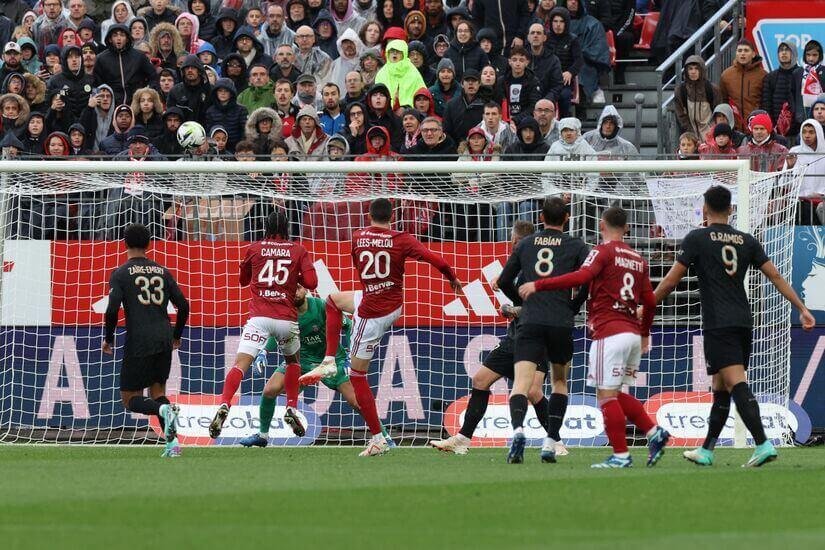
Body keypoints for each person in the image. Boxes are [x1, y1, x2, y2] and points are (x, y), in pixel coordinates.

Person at [654, 186, 816, 467]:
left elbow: (670, 281)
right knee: (720, 386)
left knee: (735, 383)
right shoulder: (746, 240)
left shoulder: (697, 238)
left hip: (719, 323)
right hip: (742, 320)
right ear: (731, 209)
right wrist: (801, 308)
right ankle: (707, 450)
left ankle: (763, 443)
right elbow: (776, 276)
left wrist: (646, 305)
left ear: (704, 209)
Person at [298, 198, 462, 456]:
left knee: (357, 376)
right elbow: (436, 260)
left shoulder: (357, 237)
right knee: (332, 301)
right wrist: (452, 278)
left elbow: (360, 267)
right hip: (392, 303)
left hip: (372, 312)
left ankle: (378, 439)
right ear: (392, 216)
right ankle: (329, 359)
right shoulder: (402, 239)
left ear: (369, 215)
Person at [519, 204, 669, 468]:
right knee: (615, 393)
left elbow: (582, 276)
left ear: (601, 225)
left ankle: (621, 456)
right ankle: (654, 432)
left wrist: (539, 284)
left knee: (606, 396)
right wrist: (645, 333)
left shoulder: (602, 251)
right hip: (632, 334)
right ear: (627, 228)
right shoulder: (639, 259)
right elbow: (649, 301)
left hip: (609, 331)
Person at [430, 219, 570, 455]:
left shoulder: (535, 269)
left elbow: (541, 308)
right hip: (516, 337)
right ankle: (463, 439)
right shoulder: (522, 266)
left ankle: (555, 442)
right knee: (480, 380)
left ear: (519, 241)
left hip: (535, 338)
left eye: (515, 241)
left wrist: (511, 310)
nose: (514, 245)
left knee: (533, 392)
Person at [240, 285, 395, 447]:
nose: (295, 292)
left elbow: (348, 325)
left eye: (298, 288)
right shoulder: (286, 312)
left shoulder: (321, 306)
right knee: (269, 390)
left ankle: (385, 438)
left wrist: (350, 355)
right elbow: (277, 334)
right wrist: (264, 351)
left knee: (357, 402)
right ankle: (263, 436)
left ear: (306, 290)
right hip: (301, 361)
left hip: (332, 361)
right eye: (292, 289)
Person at [210, 210, 318, 439]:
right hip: (286, 319)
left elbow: (242, 281)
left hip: (259, 318)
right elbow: (312, 282)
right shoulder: (298, 250)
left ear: (265, 227)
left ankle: (225, 403)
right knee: (293, 362)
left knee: (240, 365)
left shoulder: (255, 248)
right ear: (287, 228)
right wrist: (294, 276)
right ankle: (291, 406)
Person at [495, 197, 588, 464]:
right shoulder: (576, 245)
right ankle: (550, 442)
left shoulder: (525, 244)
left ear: (541, 218)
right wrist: (574, 306)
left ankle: (518, 431)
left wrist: (523, 301)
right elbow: (588, 280)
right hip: (560, 321)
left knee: (521, 385)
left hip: (531, 321)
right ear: (567, 218)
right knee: (559, 383)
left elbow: (504, 280)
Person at [103, 223, 190, 458]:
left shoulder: (121, 273)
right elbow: (183, 306)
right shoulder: (162, 271)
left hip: (139, 339)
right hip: (164, 337)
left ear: (125, 243)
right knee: (158, 391)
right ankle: (173, 444)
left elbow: (112, 309)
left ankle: (164, 411)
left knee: (130, 399)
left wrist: (108, 338)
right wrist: (176, 336)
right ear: (149, 244)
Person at [94, 24, 157, 106]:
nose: (119, 38)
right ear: (110, 39)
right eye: (115, 35)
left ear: (127, 39)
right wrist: (99, 103)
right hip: (111, 104)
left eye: (122, 35)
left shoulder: (139, 56)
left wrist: (147, 92)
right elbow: (96, 84)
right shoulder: (101, 58)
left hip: (137, 103)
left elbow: (153, 76)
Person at [719, 39, 767, 131]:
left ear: (753, 54)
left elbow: (765, 103)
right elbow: (723, 102)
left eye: (746, 50)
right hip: (734, 129)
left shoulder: (763, 75)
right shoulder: (726, 75)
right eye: (739, 50)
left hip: (756, 128)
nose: (742, 54)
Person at [761, 40, 804, 139]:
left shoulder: (802, 74)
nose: (783, 53)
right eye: (781, 50)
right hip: (776, 133)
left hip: (798, 132)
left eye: (787, 50)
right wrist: (772, 127)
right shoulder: (771, 77)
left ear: (794, 53)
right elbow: (766, 105)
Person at [674, 55, 722, 139]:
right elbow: (681, 115)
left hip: (711, 136)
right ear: (686, 71)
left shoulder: (712, 89)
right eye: (690, 69)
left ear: (702, 70)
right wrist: (690, 133)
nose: (693, 72)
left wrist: (713, 133)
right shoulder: (681, 90)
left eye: (696, 68)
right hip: (691, 137)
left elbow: (719, 113)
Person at [375, 39, 426, 110]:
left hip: (410, 111)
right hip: (386, 111)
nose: (395, 53)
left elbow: (422, 94)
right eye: (392, 51)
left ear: (403, 54)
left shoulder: (413, 71)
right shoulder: (382, 73)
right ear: (387, 54)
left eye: (398, 51)